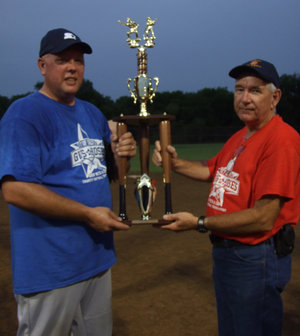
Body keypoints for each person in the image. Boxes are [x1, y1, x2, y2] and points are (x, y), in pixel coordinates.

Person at [0, 28, 137, 336]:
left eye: (79, 60)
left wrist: (122, 153)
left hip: (96, 259)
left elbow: (110, 172)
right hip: (50, 267)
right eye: (62, 60)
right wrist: (88, 214)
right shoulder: (24, 114)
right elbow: (14, 189)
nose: (73, 67)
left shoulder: (91, 113)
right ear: (42, 66)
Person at [152, 59, 300, 336]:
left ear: (275, 97)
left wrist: (198, 222)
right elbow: (212, 169)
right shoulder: (241, 135)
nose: (244, 98)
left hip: (256, 257)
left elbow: (264, 218)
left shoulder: (281, 140)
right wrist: (175, 163)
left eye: (255, 91)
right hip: (229, 254)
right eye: (239, 89)